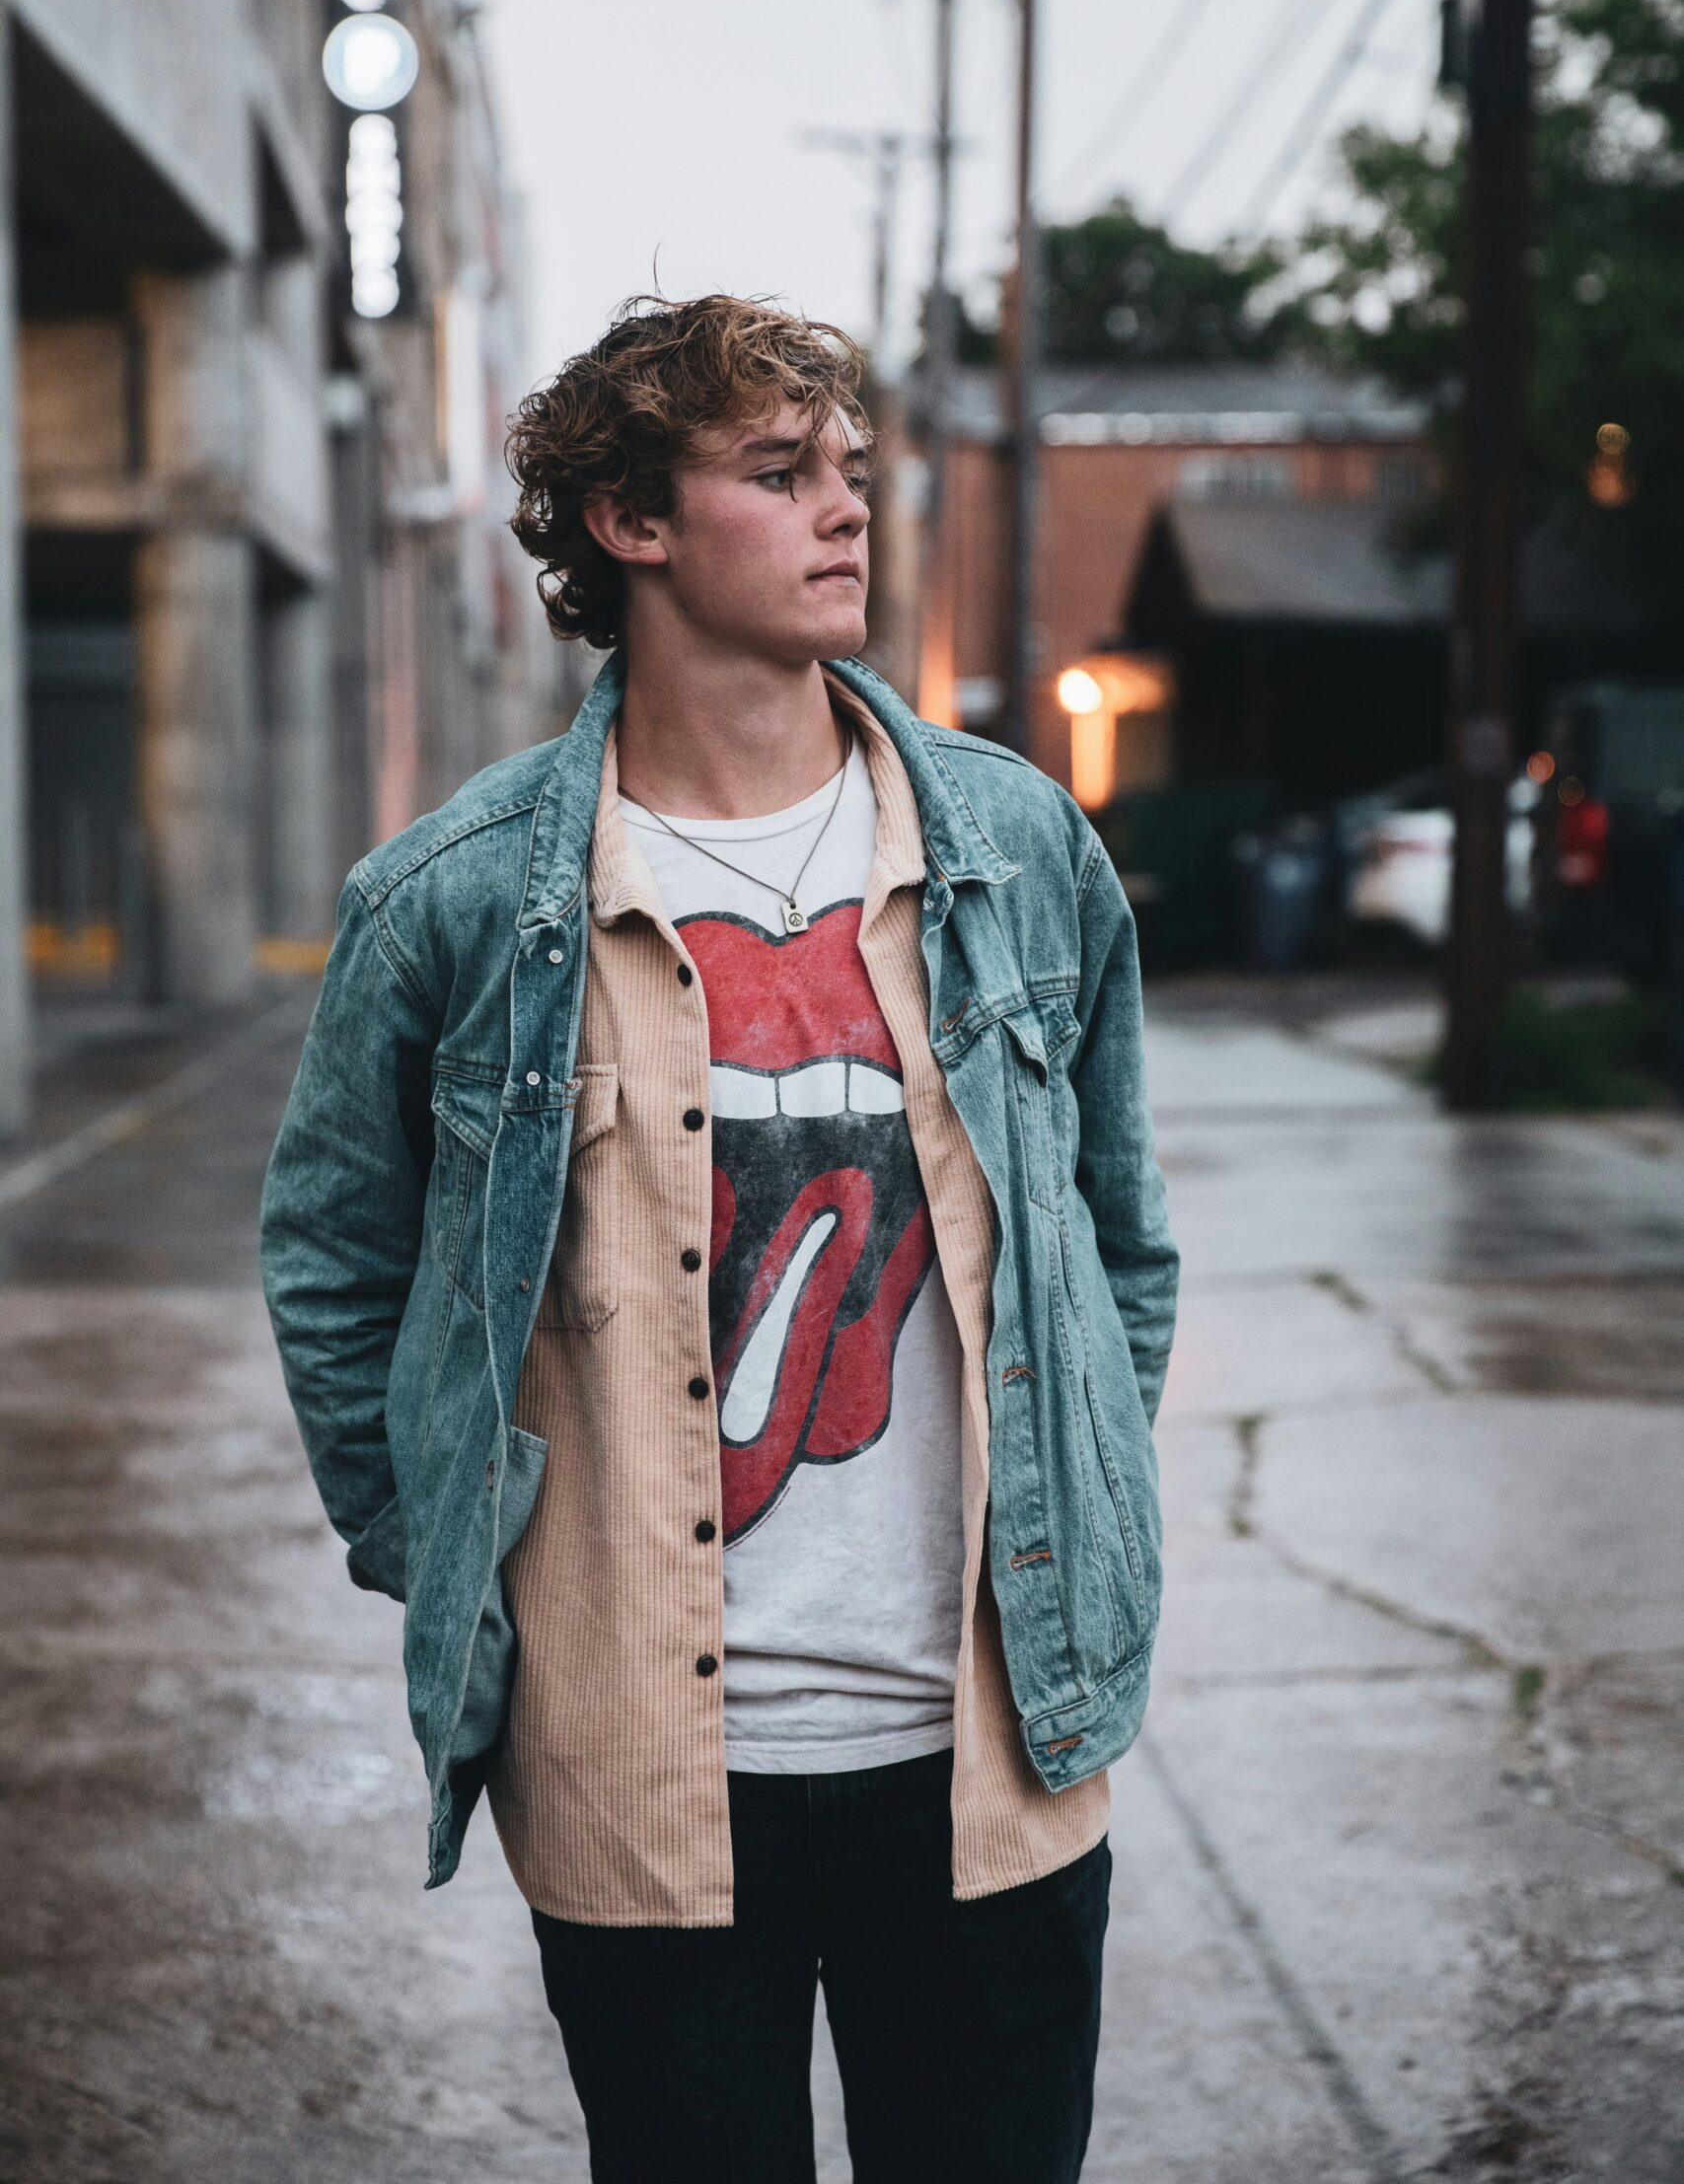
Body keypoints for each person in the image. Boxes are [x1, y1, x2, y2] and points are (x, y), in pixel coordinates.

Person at [260, 293, 1178, 2183]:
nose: (844, 511)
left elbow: (1116, 1242)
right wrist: (444, 1547)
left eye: (849, 471)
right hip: (638, 1774)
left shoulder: (1018, 847)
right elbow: (336, 1267)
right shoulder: (448, 904)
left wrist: (1081, 1498)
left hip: (993, 1760)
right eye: (779, 475)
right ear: (631, 522)